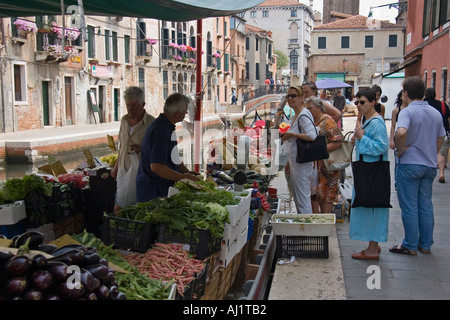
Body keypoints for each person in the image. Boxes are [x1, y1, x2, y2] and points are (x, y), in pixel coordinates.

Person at [390, 77, 446, 255]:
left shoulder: (407, 112)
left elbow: (401, 131)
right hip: (428, 165)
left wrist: (399, 149)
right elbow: (441, 137)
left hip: (410, 163)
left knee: (409, 206)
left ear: (405, 93)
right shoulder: (435, 113)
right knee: (426, 205)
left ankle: (410, 244)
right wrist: (432, 152)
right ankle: (426, 244)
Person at [136, 93, 200, 202]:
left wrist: (187, 172)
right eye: (185, 109)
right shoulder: (161, 131)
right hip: (153, 191)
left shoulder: (167, 127)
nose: (186, 112)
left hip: (161, 189)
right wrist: (182, 177)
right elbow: (157, 167)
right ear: (177, 114)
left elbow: (174, 157)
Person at [349, 89, 389, 260]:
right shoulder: (368, 120)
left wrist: (362, 138)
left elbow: (381, 147)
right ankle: (374, 245)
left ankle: (372, 249)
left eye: (362, 102)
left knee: (372, 207)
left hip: (372, 172)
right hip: (369, 170)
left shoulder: (377, 123)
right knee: (371, 206)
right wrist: (358, 138)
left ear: (373, 102)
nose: (358, 105)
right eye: (357, 102)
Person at [110, 86, 155, 214]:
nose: (130, 109)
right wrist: (116, 167)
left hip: (142, 174)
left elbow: (158, 151)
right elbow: (122, 147)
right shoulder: (124, 121)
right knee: (118, 208)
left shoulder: (152, 123)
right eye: (128, 105)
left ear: (143, 104)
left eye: (134, 106)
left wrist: (143, 148)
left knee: (138, 210)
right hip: (123, 172)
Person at [281, 86, 317, 214]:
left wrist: (292, 135)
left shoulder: (303, 115)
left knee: (302, 198)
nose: (290, 99)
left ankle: (306, 229)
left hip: (302, 163)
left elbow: (312, 136)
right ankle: (303, 227)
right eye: (288, 96)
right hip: (296, 162)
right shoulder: (296, 115)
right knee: (298, 197)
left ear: (302, 98)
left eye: (293, 96)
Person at [306, 96, 343, 214]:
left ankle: (326, 229)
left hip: (327, 167)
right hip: (316, 168)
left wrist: (319, 151)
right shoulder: (313, 122)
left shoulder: (327, 121)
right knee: (316, 197)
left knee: (326, 196)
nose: (308, 110)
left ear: (319, 108)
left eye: (310, 108)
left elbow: (338, 141)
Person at [423, 87, 450, 183]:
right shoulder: (442, 104)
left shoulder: (423, 105)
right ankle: (441, 173)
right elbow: (448, 119)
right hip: (441, 133)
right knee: (440, 153)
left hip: (426, 134)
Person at [389, 90, 408, 190]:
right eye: (403, 95)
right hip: (399, 136)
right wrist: (391, 139)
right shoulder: (396, 110)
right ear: (400, 97)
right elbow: (392, 126)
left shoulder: (411, 110)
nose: (405, 97)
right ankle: (397, 182)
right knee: (397, 161)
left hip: (409, 137)